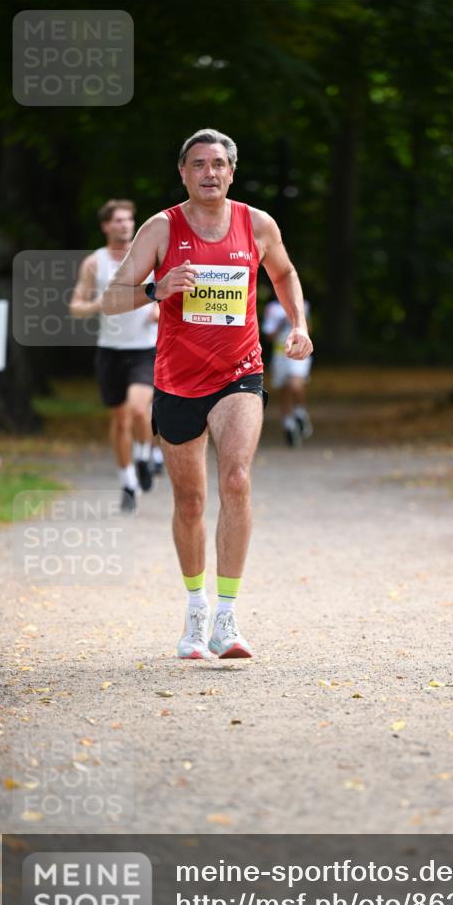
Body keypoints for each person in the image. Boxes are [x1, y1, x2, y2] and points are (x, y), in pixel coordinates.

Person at [102, 128, 312, 660]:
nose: (209, 173)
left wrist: (298, 324)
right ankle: (195, 609)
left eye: (218, 163)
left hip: (240, 372)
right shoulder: (161, 228)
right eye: (198, 164)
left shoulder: (256, 223)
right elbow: (109, 299)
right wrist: (157, 288)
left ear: (232, 171)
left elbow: (284, 273)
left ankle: (227, 616)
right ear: (183, 172)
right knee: (191, 501)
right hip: (176, 380)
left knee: (236, 480)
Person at [70, 199, 161, 511]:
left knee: (139, 411)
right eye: (118, 220)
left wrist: (159, 309)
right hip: (110, 350)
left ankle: (145, 456)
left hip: (144, 349)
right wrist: (100, 304)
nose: (124, 225)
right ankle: (128, 483)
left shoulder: (148, 256)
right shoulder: (95, 263)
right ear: (106, 226)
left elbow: (170, 291)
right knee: (120, 421)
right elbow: (76, 306)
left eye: (128, 219)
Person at [262, 296, 313, 446]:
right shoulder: (272, 308)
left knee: (295, 384)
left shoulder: (303, 305)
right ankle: (288, 424)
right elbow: (269, 336)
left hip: (297, 350)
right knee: (283, 390)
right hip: (280, 354)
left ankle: (300, 413)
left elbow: (309, 329)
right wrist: (281, 324)